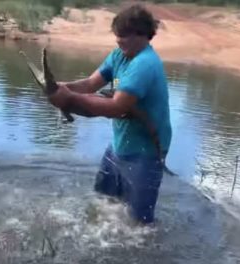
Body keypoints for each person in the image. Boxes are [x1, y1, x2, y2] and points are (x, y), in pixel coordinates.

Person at [48, 4, 172, 225]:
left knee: (140, 224)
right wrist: (58, 88)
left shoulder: (145, 64)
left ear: (142, 35)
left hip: (146, 152)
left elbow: (116, 107)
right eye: (117, 35)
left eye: (123, 36)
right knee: (103, 203)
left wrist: (69, 100)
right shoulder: (119, 55)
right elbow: (89, 84)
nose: (118, 40)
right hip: (118, 146)